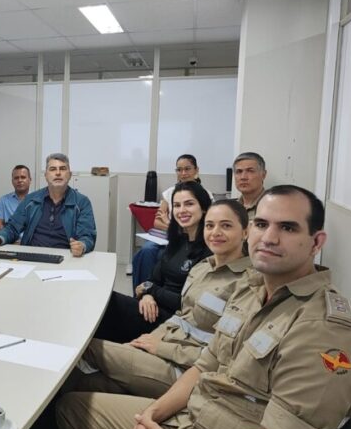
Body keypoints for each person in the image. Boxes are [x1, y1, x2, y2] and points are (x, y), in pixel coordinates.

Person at [57, 185, 351, 429]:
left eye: (287, 227)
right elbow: (205, 365)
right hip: (195, 411)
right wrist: (152, 415)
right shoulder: (252, 290)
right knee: (71, 403)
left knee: (76, 399)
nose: (269, 238)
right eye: (261, 224)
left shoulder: (325, 327)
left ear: (316, 242)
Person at [75, 199, 253, 399]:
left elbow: (220, 356)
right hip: (164, 344)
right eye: (210, 226)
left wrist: (161, 347)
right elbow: (181, 315)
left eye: (226, 226)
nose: (215, 232)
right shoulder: (203, 267)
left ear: (246, 232)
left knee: (83, 348)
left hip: (184, 368)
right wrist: (153, 338)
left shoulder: (248, 285)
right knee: (83, 384)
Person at [96, 181, 212, 342]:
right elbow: (152, 280)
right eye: (177, 205)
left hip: (175, 320)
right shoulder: (177, 242)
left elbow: (188, 302)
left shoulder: (210, 250)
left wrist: (151, 291)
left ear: (204, 207)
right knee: (100, 300)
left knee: (106, 306)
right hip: (152, 307)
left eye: (189, 204)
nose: (182, 210)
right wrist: (147, 296)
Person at [0, 153, 95, 257]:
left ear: (69, 175)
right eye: (53, 169)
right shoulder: (31, 200)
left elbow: (87, 236)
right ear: (46, 175)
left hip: (66, 258)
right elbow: (12, 228)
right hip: (32, 257)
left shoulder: (81, 202)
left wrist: (82, 246)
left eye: (63, 169)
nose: (58, 173)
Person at [132, 154, 212, 293]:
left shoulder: (205, 194)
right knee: (146, 251)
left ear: (196, 170)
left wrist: (172, 224)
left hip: (191, 236)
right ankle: (141, 292)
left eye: (187, 169)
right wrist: (172, 227)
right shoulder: (169, 193)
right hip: (167, 236)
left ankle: (156, 291)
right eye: (179, 170)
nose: (183, 173)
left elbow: (207, 224)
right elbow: (157, 222)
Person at [0, 165, 32, 231]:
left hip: (32, 240)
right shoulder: (3, 201)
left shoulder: (38, 200)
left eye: (23, 177)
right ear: (12, 181)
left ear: (30, 180)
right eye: (16, 178)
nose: (19, 180)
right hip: (10, 240)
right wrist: (7, 238)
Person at [233, 151, 267, 219]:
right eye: (239, 172)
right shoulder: (230, 208)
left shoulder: (274, 206)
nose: (243, 177)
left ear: (263, 175)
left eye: (250, 171)